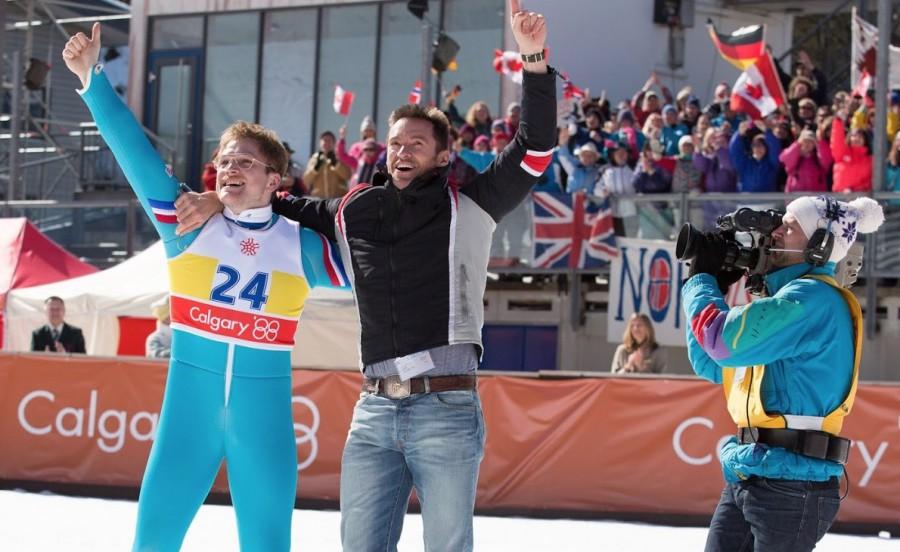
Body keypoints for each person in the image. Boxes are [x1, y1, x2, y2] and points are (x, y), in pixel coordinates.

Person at [174, 2, 553, 549]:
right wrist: (219, 196)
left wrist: (534, 59)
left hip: (446, 408)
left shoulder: (472, 205)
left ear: (443, 156)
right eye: (396, 142)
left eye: (417, 144)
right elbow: (275, 202)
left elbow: (535, 148)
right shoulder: (353, 209)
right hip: (373, 409)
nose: (402, 151)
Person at [63, 24, 348, 552]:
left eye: (244, 161)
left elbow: (382, 259)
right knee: (152, 544)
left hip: (262, 428)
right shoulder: (187, 221)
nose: (228, 168)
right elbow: (133, 153)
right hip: (185, 422)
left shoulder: (303, 246)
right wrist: (92, 79)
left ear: (274, 181)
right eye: (224, 159)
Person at [682, 195, 884, 552]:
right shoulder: (782, 301)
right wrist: (713, 283)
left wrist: (700, 280)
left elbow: (719, 341)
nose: (774, 231)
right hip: (753, 471)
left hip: (792, 485)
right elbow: (712, 362)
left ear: (819, 246)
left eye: (788, 227)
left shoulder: (810, 300)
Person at [303, 130, 352, 198]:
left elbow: (348, 176)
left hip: (338, 199)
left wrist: (336, 164)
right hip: (319, 199)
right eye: (324, 140)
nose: (326, 143)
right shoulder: (314, 159)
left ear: (334, 143)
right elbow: (306, 180)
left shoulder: (340, 157)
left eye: (329, 141)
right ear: (320, 143)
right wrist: (315, 168)